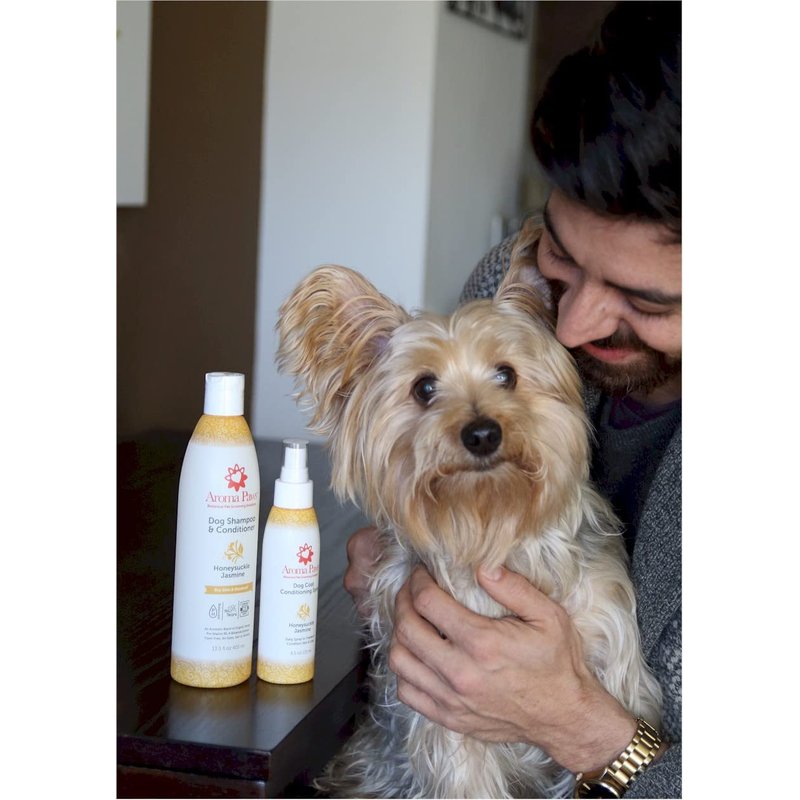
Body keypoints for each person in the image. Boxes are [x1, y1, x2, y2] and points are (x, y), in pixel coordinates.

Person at [344, 2, 681, 797]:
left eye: (645, 301)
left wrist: (578, 724)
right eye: (562, 256)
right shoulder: (515, 280)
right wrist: (400, 550)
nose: (573, 323)